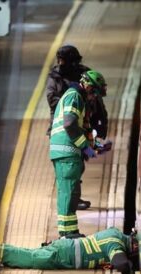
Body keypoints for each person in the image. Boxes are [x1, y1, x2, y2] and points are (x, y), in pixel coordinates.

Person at [46, 45, 110, 211]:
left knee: (77, 166)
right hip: (65, 132)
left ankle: (74, 199)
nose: (61, 63)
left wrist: (99, 129)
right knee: (72, 169)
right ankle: (73, 200)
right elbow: (59, 108)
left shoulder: (85, 76)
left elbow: (97, 104)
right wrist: (85, 146)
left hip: (79, 126)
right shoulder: (64, 85)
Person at [49, 70, 108, 237]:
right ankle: (68, 234)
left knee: (70, 192)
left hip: (66, 152)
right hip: (66, 151)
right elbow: (69, 124)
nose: (95, 97)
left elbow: (82, 127)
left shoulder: (77, 98)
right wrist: (84, 146)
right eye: (95, 93)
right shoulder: (74, 96)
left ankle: (69, 231)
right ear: (88, 87)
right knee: (69, 192)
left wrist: (95, 145)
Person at [0, 227, 137, 274]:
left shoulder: (115, 233)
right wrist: (130, 268)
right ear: (134, 246)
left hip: (65, 246)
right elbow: (120, 263)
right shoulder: (116, 244)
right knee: (28, 259)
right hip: (64, 256)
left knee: (27, 253)